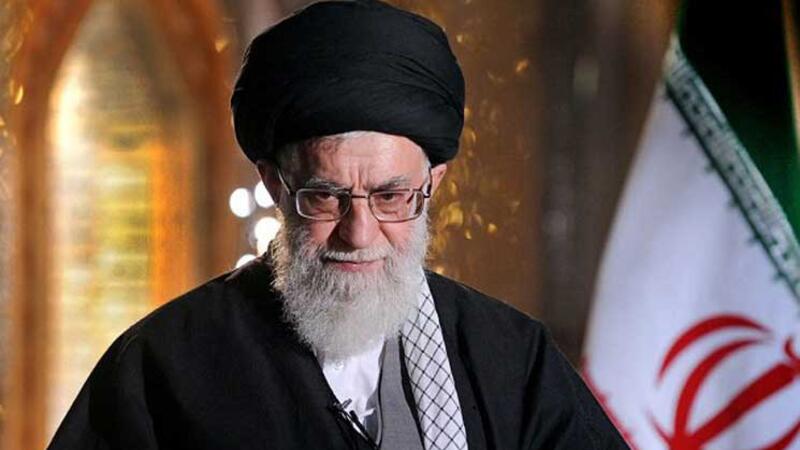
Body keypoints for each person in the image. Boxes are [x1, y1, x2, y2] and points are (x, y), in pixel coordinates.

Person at [49, 1, 629, 449]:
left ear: (434, 182)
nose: (360, 233)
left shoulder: (509, 359)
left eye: (391, 196)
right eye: (326, 197)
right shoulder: (163, 368)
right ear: (275, 184)